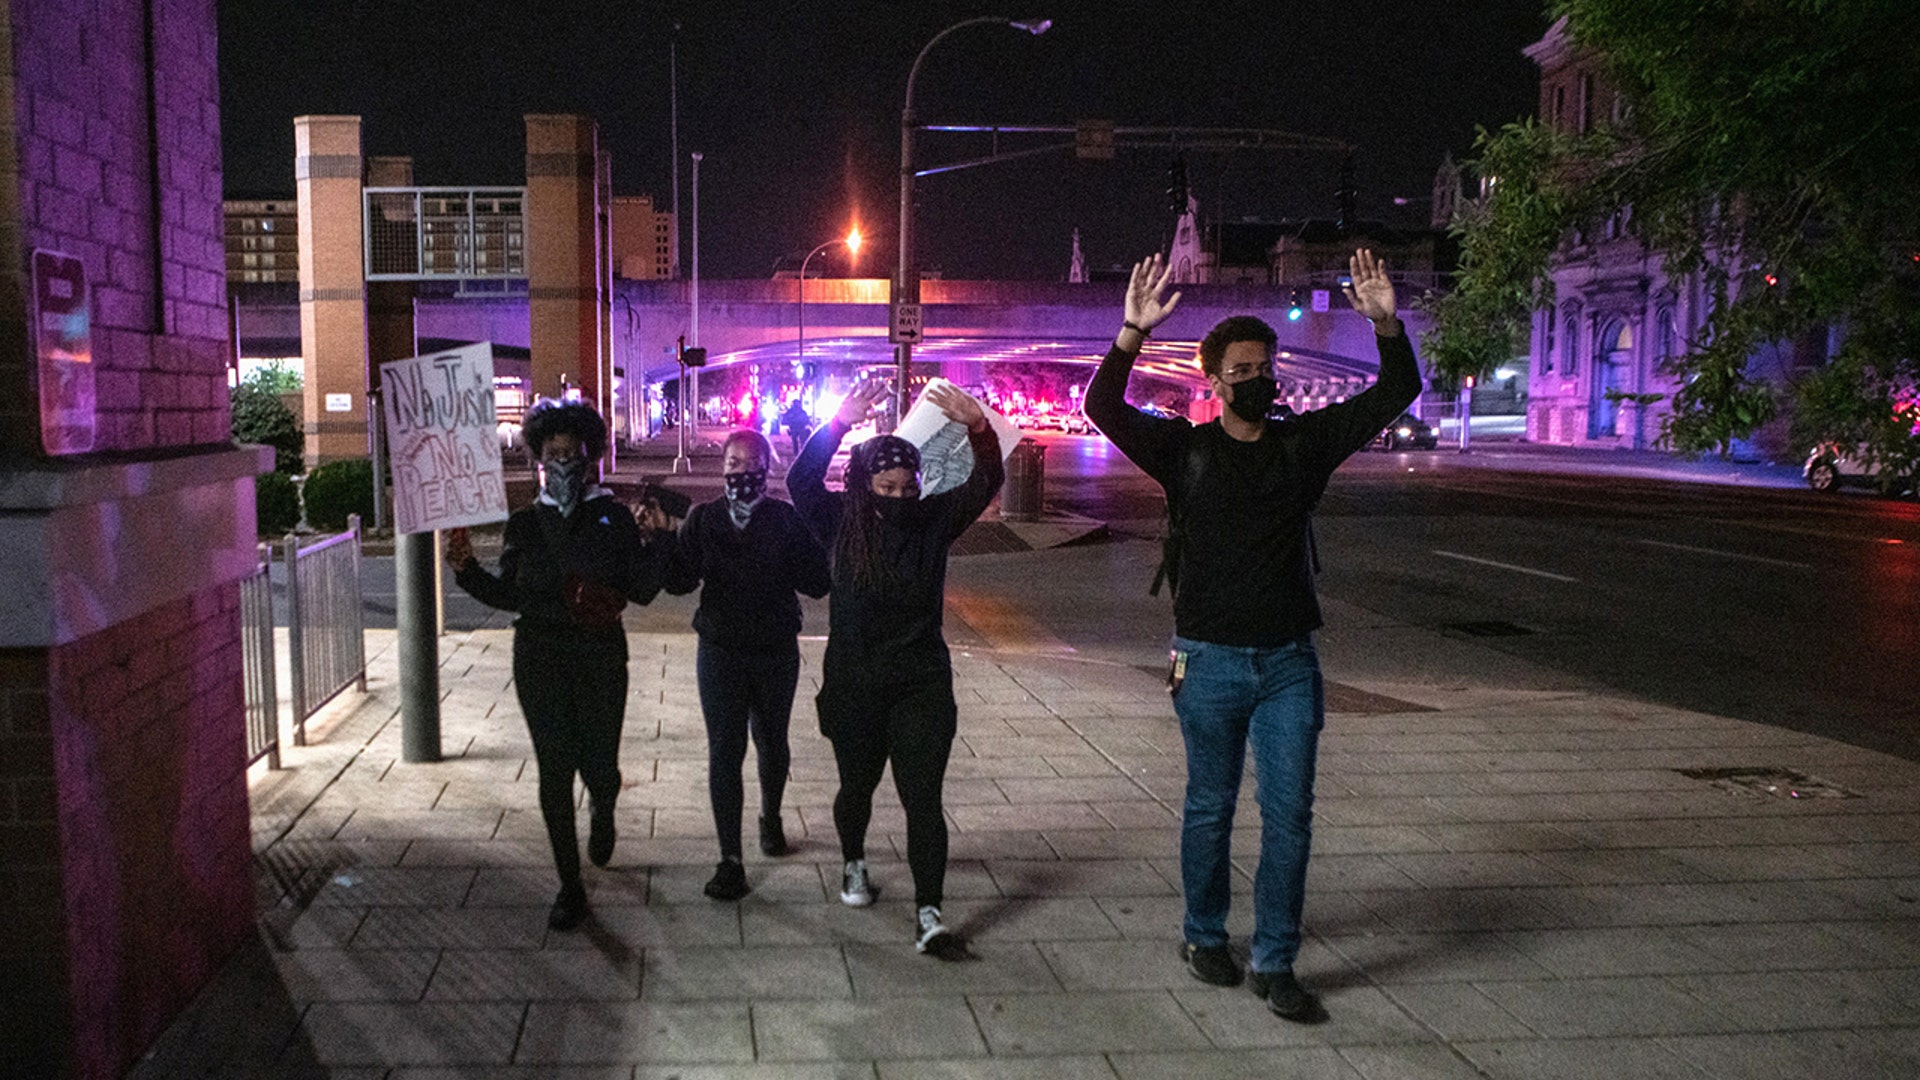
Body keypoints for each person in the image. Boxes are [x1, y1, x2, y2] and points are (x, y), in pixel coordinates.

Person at [1084, 249, 1420, 1022]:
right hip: (1205, 662)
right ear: (1214, 380)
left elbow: (1397, 390)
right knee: (1210, 806)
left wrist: (1385, 323)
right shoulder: (1186, 452)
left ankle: (1275, 960)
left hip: (1288, 665)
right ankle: (1205, 936)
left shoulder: (1302, 449)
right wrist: (1131, 331)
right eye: (1243, 369)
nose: (1260, 378)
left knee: (1291, 814)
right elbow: (1103, 408)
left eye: (1266, 366)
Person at [788, 378, 1004, 959]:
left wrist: (979, 428)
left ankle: (930, 912)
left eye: (907, 487)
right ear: (864, 486)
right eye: (885, 486)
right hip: (855, 682)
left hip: (921, 682)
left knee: (923, 796)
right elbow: (799, 481)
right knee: (856, 786)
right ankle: (854, 861)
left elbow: (987, 480)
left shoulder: (933, 519)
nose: (898, 496)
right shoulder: (838, 521)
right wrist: (837, 424)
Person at [445, 399, 671, 931]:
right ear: (539, 458)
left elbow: (640, 590)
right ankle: (570, 885)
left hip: (600, 657)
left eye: (574, 453)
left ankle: (606, 801)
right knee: (554, 770)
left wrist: (659, 539)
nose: (564, 462)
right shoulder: (524, 524)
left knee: (598, 765)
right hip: (540, 658)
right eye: (554, 453)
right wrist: (466, 571)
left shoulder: (612, 517)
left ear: (590, 456)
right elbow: (510, 596)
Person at [660, 429, 832, 901]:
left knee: (771, 741)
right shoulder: (704, 519)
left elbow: (817, 584)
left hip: (775, 649)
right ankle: (729, 858)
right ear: (722, 469)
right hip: (720, 650)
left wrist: (823, 546)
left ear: (768, 467)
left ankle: (770, 816)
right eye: (732, 462)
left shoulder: (786, 519)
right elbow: (678, 581)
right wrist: (660, 539)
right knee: (725, 749)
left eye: (751, 462)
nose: (741, 470)